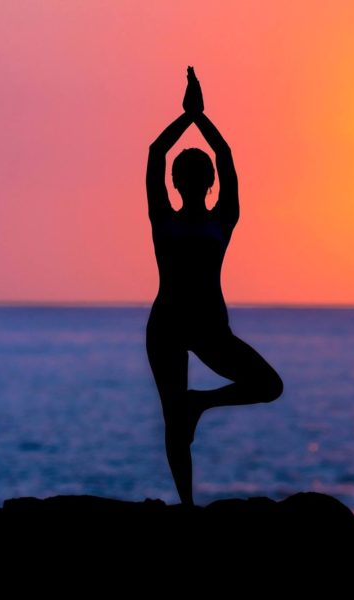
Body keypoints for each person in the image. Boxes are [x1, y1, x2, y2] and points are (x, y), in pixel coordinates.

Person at [145, 67, 283, 505]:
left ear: (179, 182)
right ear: (207, 183)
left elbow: (156, 152)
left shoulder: (169, 219)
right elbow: (223, 155)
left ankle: (197, 409)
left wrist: (188, 116)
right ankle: (187, 504)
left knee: (182, 414)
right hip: (178, 326)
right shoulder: (218, 219)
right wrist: (199, 116)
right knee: (259, 388)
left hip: (193, 326)